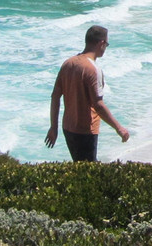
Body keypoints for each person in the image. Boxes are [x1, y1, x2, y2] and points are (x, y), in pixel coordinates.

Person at [45, 25, 129, 162]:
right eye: (106, 44)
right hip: (86, 130)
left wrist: (53, 127)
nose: (105, 48)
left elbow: (55, 96)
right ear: (101, 43)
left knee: (80, 166)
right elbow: (98, 105)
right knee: (88, 173)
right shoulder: (92, 69)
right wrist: (119, 128)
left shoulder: (68, 63)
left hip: (68, 128)